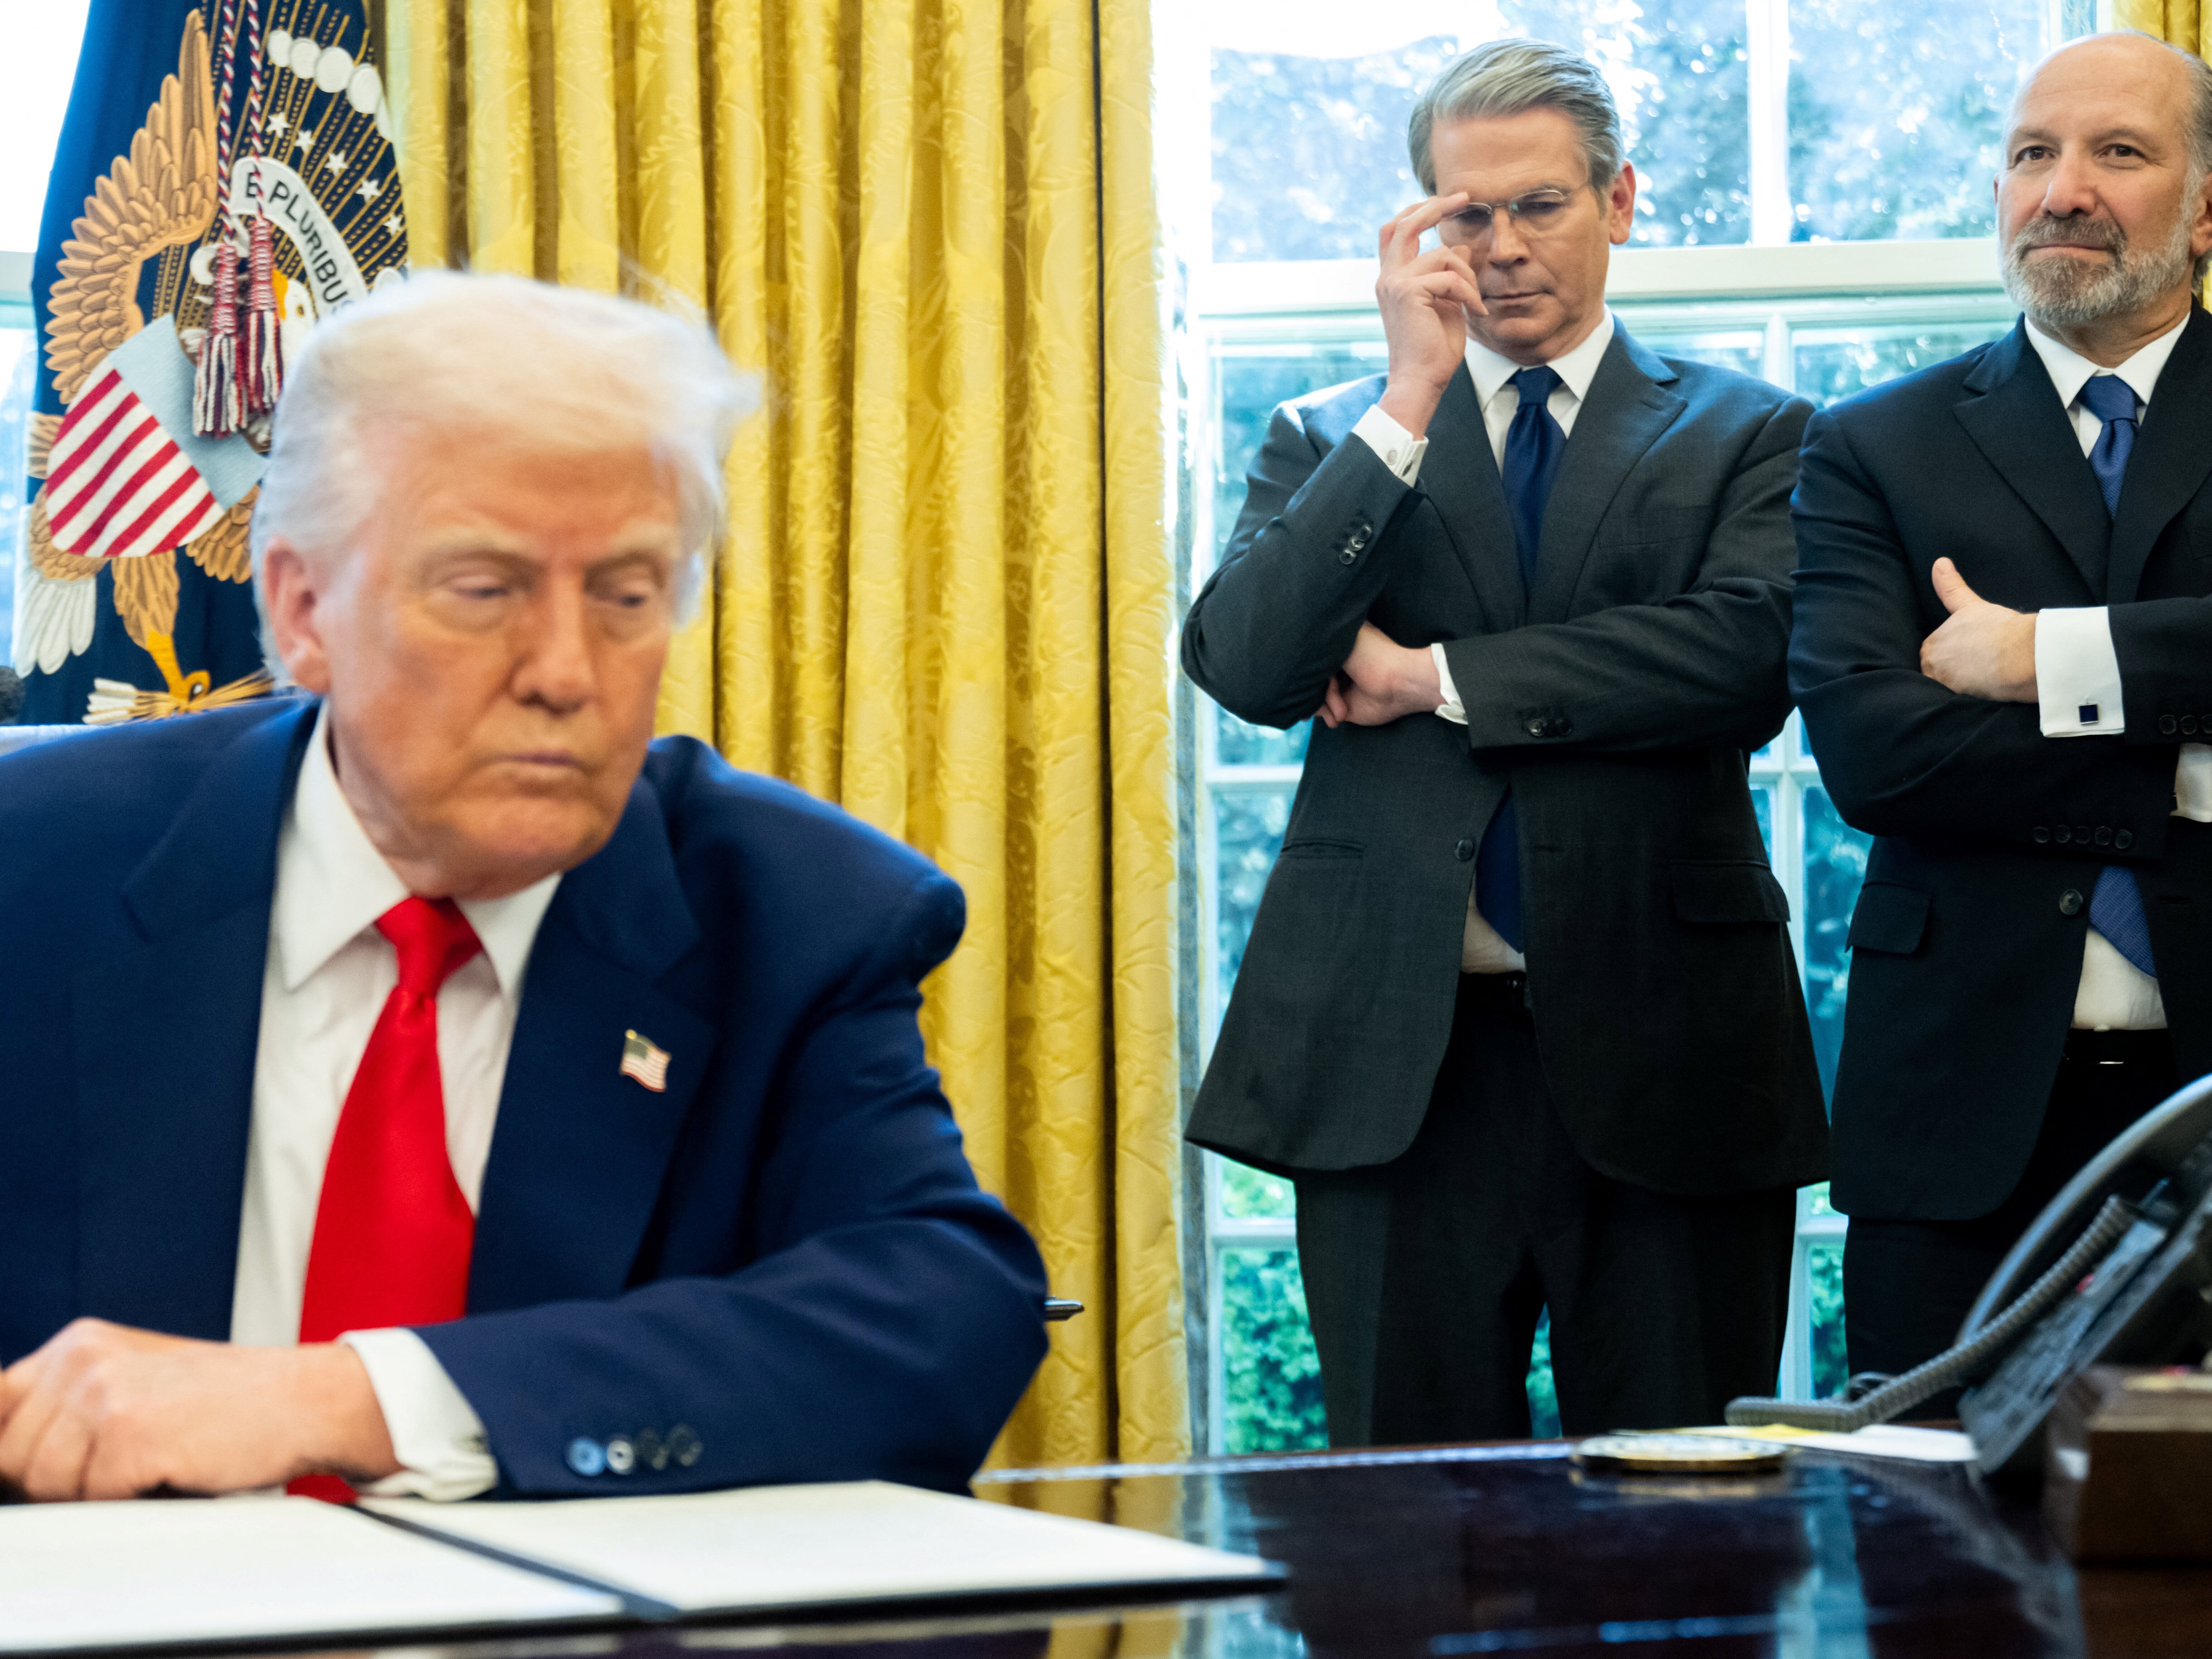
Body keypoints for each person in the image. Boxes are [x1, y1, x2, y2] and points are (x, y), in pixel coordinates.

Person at [0, 273, 1048, 1502]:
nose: (566, 672)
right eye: (486, 590)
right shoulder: (37, 872)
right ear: (303, 611)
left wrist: (354, 1399)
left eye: (626, 596)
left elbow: (942, 1317)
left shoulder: (793, 916)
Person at [1181, 38, 1828, 1444]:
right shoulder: (1333, 437)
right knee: (1401, 1525)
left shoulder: (1755, 432)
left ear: (1619, 201)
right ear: (1419, 229)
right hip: (1392, 1064)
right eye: (1466, 215)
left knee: (1683, 1516)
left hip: (1672, 1046)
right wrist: (1406, 400)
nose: (1504, 246)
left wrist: (1430, 677)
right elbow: (1247, 665)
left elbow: (1739, 658)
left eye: (1539, 205)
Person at [1790, 31, 2212, 1387]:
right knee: (1931, 1508)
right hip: (1952, 1115)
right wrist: (2188, 771)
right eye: (2033, 153)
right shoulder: (1872, 445)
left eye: (2118, 152)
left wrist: (2044, 657)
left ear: (2207, 206)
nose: (2062, 189)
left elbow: (1970, 727)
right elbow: (1878, 756)